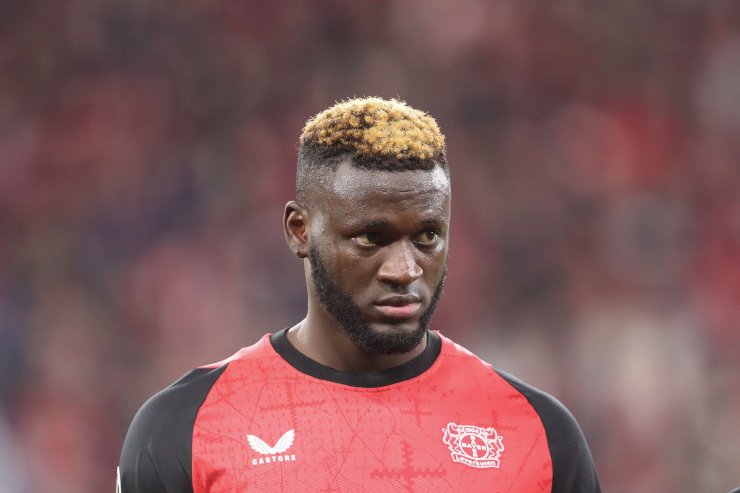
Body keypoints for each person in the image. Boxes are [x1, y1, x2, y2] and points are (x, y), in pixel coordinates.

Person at [118, 97, 601, 492]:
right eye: (371, 238)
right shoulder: (183, 427)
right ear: (299, 231)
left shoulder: (538, 434)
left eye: (427, 237)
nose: (404, 269)